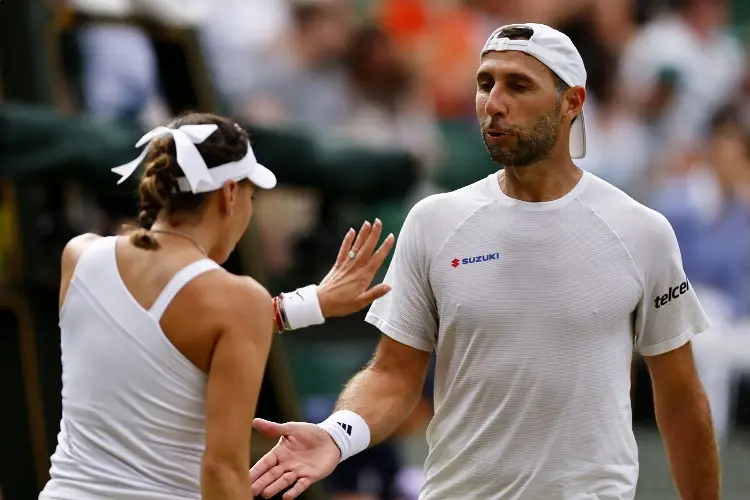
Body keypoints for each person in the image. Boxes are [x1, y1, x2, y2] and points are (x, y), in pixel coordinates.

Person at [249, 23, 720, 500]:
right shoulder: (434, 221)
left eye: (518, 85)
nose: (493, 102)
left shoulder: (642, 231)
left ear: (572, 103)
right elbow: (393, 375)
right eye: (484, 83)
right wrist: (337, 434)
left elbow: (681, 400)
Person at [38, 112, 394, 500]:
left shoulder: (79, 255)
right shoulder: (237, 303)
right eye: (251, 195)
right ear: (228, 193)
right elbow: (221, 470)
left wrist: (310, 304)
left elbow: (157, 337)